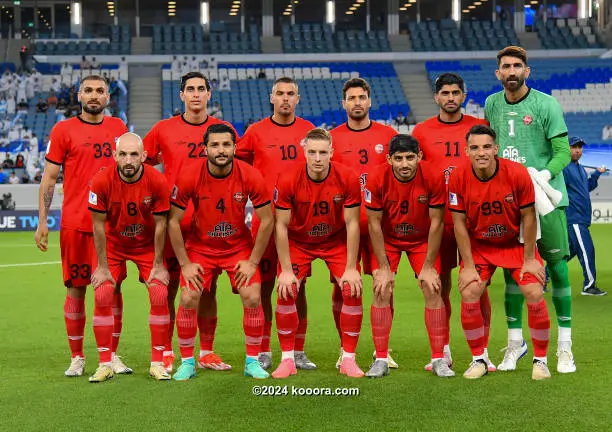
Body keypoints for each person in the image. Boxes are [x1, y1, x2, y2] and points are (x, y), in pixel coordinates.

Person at [485, 46, 574, 373]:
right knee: (514, 272)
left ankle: (565, 347)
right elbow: (489, 149)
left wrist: (543, 175)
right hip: (510, 204)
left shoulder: (546, 104)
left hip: (546, 199)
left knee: (558, 267)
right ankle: (513, 344)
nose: (511, 71)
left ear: (527, 70)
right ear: (498, 73)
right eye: (505, 66)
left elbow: (563, 152)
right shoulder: (491, 104)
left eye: (517, 66)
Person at [143, 71, 240, 373]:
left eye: (201, 89)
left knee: (208, 290)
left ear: (209, 94)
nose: (196, 94)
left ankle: (207, 352)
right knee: (170, 288)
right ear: (181, 95)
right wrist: (157, 192)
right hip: (174, 222)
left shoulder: (222, 130)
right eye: (190, 89)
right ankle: (168, 351)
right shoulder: (163, 129)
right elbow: (140, 163)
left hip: (210, 226)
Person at [34, 75, 129, 377]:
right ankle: (77, 356)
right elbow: (49, 178)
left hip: (112, 226)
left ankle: (111, 354)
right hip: (76, 222)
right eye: (88, 90)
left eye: (100, 91)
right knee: (76, 289)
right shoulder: (63, 130)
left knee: (112, 291)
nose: (94, 95)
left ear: (108, 96)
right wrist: (42, 221)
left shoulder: (119, 129)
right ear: (79, 95)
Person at [168, 124, 273, 381]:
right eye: (215, 145)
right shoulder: (189, 175)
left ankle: (252, 361)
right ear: (205, 149)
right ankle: (188, 362)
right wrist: (185, 264)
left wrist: (252, 262)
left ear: (235, 148)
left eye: (226, 145)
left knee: (252, 295)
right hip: (201, 247)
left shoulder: (250, 175)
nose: (221, 150)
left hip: (237, 246)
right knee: (189, 296)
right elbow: (172, 221)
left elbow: (267, 220)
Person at [448, 125, 552, 380]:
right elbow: (459, 224)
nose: (481, 152)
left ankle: (541, 360)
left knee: (533, 290)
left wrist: (529, 259)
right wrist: (469, 265)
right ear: (467, 151)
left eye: (486, 147)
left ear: (496, 149)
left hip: (515, 244)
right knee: (470, 289)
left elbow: (529, 217)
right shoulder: (458, 177)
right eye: (475, 148)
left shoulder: (515, 173)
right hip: (481, 246)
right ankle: (479, 359)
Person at [411, 72, 494, 372]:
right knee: (440, 287)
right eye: (444, 93)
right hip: (440, 223)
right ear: (436, 97)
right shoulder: (421, 131)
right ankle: (442, 350)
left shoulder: (477, 128)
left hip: (475, 223)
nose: (450, 97)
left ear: (464, 96)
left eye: (455, 92)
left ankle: (482, 352)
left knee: (477, 286)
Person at [236, 77, 316, 371]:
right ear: (272, 97)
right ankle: (266, 348)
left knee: (298, 286)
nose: (285, 99)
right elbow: (237, 166)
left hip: (299, 223)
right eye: (280, 94)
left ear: (298, 98)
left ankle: (298, 349)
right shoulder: (256, 132)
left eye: (290, 94)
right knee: (266, 285)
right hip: (265, 222)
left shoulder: (310, 132)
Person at [272, 128, 364, 379]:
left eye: (323, 152)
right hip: (300, 242)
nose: (317, 158)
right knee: (287, 289)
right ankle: (288, 360)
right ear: (304, 151)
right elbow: (280, 225)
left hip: (335, 241)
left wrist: (351, 268)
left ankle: (348, 359)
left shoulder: (348, 177)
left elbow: (353, 223)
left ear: (332, 153)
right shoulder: (288, 178)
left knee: (351, 288)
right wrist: (287, 271)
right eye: (312, 152)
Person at [365, 134, 452, 378]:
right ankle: (380, 359)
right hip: (388, 240)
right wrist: (383, 267)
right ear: (389, 159)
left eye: (410, 158)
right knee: (381, 288)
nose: (405, 164)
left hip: (422, 240)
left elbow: (437, 222)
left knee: (432, 287)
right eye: (399, 158)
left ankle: (438, 359)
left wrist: (427, 266)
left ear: (420, 157)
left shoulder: (433, 176)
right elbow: (374, 224)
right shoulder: (376, 177)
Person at [87, 133, 171, 382]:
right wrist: (102, 267)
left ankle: (157, 363)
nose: (128, 159)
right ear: (114, 156)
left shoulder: (157, 180)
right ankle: (105, 363)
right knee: (102, 292)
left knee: (159, 292)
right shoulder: (101, 181)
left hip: (145, 245)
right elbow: (98, 227)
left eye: (134, 154)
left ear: (144, 156)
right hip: (113, 245)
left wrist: (158, 264)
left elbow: (161, 225)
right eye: (123, 154)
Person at [330, 77, 398, 368]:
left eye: (361, 97)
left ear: (369, 101)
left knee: (384, 285)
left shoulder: (389, 135)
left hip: (380, 227)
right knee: (343, 287)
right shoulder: (332, 138)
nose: (357, 102)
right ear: (343, 103)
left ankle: (383, 349)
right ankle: (345, 347)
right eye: (351, 98)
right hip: (343, 228)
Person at [563, 136, 607, 296]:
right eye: (574, 147)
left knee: (566, 254)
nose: (578, 150)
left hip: (581, 218)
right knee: (587, 250)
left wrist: (596, 174)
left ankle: (543, 276)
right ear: (566, 148)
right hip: (574, 218)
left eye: (580, 147)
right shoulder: (564, 168)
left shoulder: (580, 168)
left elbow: (586, 187)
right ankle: (589, 286)